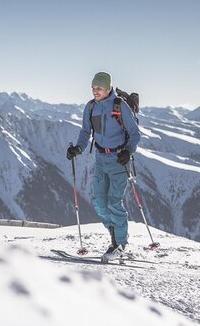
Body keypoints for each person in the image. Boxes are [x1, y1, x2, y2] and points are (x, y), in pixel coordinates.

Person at [66, 72, 141, 261]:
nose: (95, 91)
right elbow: (85, 132)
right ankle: (114, 238)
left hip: (118, 160)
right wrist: (77, 148)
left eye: (99, 88)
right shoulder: (91, 107)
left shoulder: (120, 106)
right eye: (93, 87)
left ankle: (120, 244)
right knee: (99, 202)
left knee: (114, 202)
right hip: (100, 159)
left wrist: (128, 151)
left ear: (108, 89)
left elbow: (135, 133)